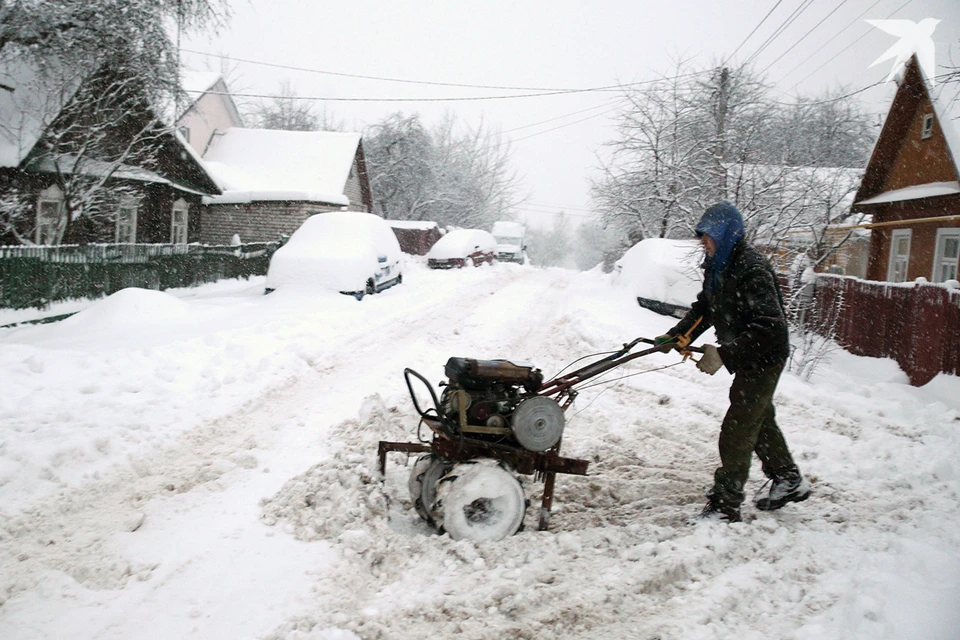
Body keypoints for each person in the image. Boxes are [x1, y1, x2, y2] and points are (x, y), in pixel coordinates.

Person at [657, 201, 810, 523]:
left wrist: (724, 355)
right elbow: (707, 307)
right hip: (746, 353)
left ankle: (726, 505)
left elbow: (771, 328)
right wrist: (677, 336)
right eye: (702, 237)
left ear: (726, 233)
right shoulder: (718, 264)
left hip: (764, 356)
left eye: (708, 236)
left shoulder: (751, 268)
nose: (703, 243)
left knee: (738, 429)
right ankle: (787, 477)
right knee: (758, 418)